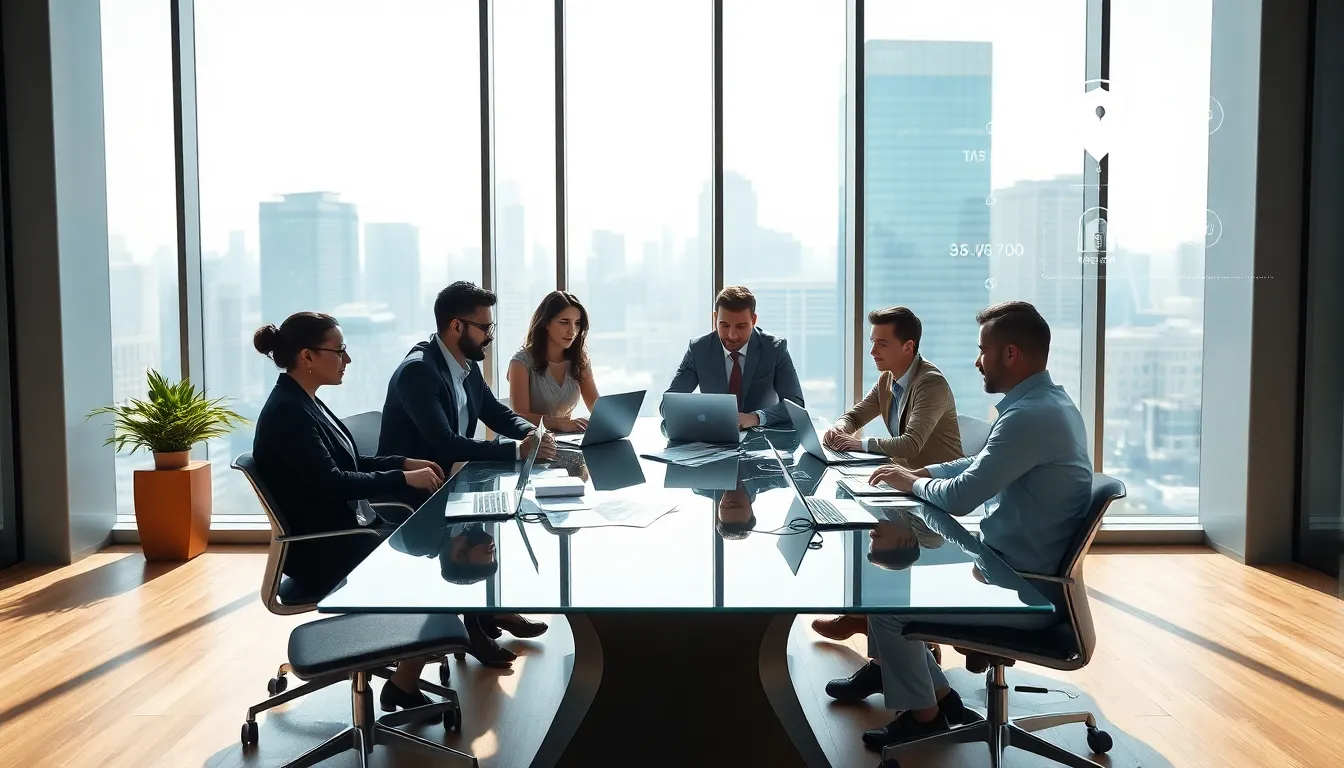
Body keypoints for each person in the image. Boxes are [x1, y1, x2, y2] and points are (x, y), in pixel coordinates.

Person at [824, 301, 1093, 753]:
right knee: (887, 585)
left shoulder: (1028, 416)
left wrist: (914, 480)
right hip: (1007, 564)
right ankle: (942, 698)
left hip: (1022, 588)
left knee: (887, 607)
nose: (976, 361)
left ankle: (924, 718)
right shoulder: (1045, 404)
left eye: (982, 350)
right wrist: (927, 474)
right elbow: (977, 466)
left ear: (1010, 354)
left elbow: (964, 497)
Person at [250, 311, 448, 719]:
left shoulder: (303, 400)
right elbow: (334, 483)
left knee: (437, 543)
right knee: (435, 560)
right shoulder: (289, 412)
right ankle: (403, 684)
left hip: (345, 532)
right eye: (339, 351)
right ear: (307, 355)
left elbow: (352, 460)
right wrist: (402, 479)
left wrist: (404, 461)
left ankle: (407, 661)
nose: (347, 359)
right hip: (324, 549)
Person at [378, 281, 554, 665]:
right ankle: (473, 628)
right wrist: (514, 451)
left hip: (449, 486)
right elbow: (445, 444)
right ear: (456, 327)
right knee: (489, 519)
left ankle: (490, 611)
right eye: (485, 328)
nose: (490, 336)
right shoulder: (419, 373)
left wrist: (529, 433)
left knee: (505, 512)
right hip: (411, 499)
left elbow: (495, 412)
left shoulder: (464, 366)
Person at [813, 306, 964, 642]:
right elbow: (853, 415)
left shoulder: (930, 384)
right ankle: (863, 618)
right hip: (901, 487)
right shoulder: (887, 380)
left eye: (881, 343)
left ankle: (904, 634)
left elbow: (911, 444)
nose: (872, 351)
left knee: (868, 534)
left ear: (908, 347)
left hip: (936, 495)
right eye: (872, 342)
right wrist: (840, 429)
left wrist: (856, 443)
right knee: (848, 517)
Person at [664, 285, 804, 429]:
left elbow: (796, 404)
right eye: (724, 325)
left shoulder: (774, 348)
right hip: (714, 438)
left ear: (754, 320)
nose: (732, 335)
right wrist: (702, 415)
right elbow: (668, 404)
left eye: (741, 326)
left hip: (763, 440)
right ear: (715, 318)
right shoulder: (699, 349)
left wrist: (755, 418)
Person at [508, 291, 600, 433]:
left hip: (565, 441)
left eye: (577, 323)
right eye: (564, 322)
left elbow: (597, 408)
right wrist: (560, 424)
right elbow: (520, 416)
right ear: (545, 323)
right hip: (530, 444)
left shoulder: (580, 361)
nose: (572, 331)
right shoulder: (520, 362)